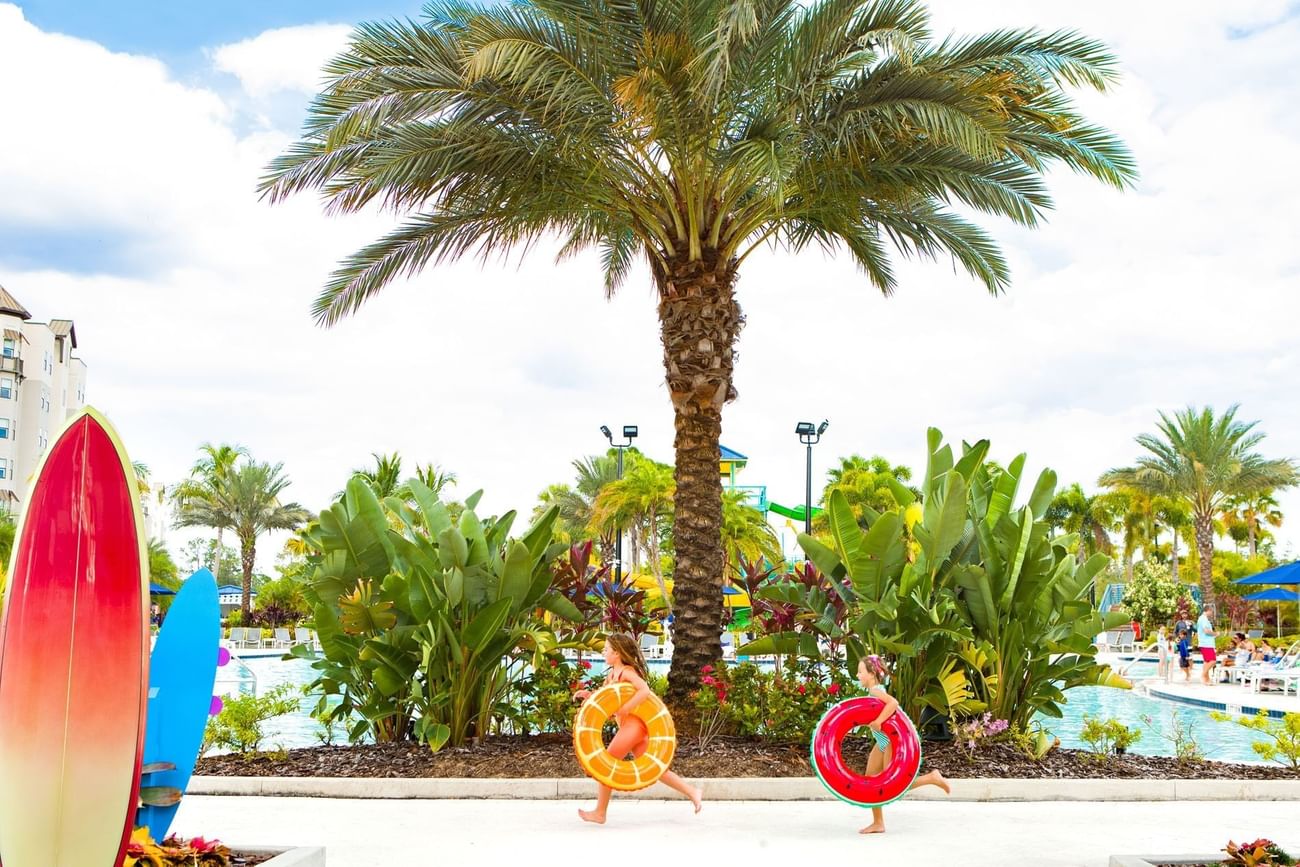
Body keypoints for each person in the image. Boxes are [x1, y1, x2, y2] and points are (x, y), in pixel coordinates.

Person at [573, 634, 701, 824]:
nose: (603, 652)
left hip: (634, 725)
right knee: (655, 769)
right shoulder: (611, 675)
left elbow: (644, 690)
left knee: (605, 763)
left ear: (616, 653)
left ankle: (600, 812)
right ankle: (692, 791)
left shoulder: (626, 672)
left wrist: (627, 707)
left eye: (606, 649)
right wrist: (588, 695)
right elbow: (606, 704)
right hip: (628, 726)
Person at [856, 654, 950, 835]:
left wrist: (878, 721)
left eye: (861, 672)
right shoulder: (873, 691)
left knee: (892, 783)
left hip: (888, 740)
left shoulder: (876, 690)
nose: (858, 675)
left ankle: (932, 778)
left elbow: (893, 703)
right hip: (881, 741)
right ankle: (878, 823)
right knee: (871, 779)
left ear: (871, 673)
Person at [1196, 604, 1218, 685]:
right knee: (1213, 661)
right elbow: (1206, 631)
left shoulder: (1202, 619)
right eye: (1211, 612)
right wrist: (1215, 634)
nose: (1212, 613)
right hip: (1206, 644)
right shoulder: (1204, 619)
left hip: (1205, 643)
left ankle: (1207, 680)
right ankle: (1203, 675)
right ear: (1208, 610)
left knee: (1207, 661)